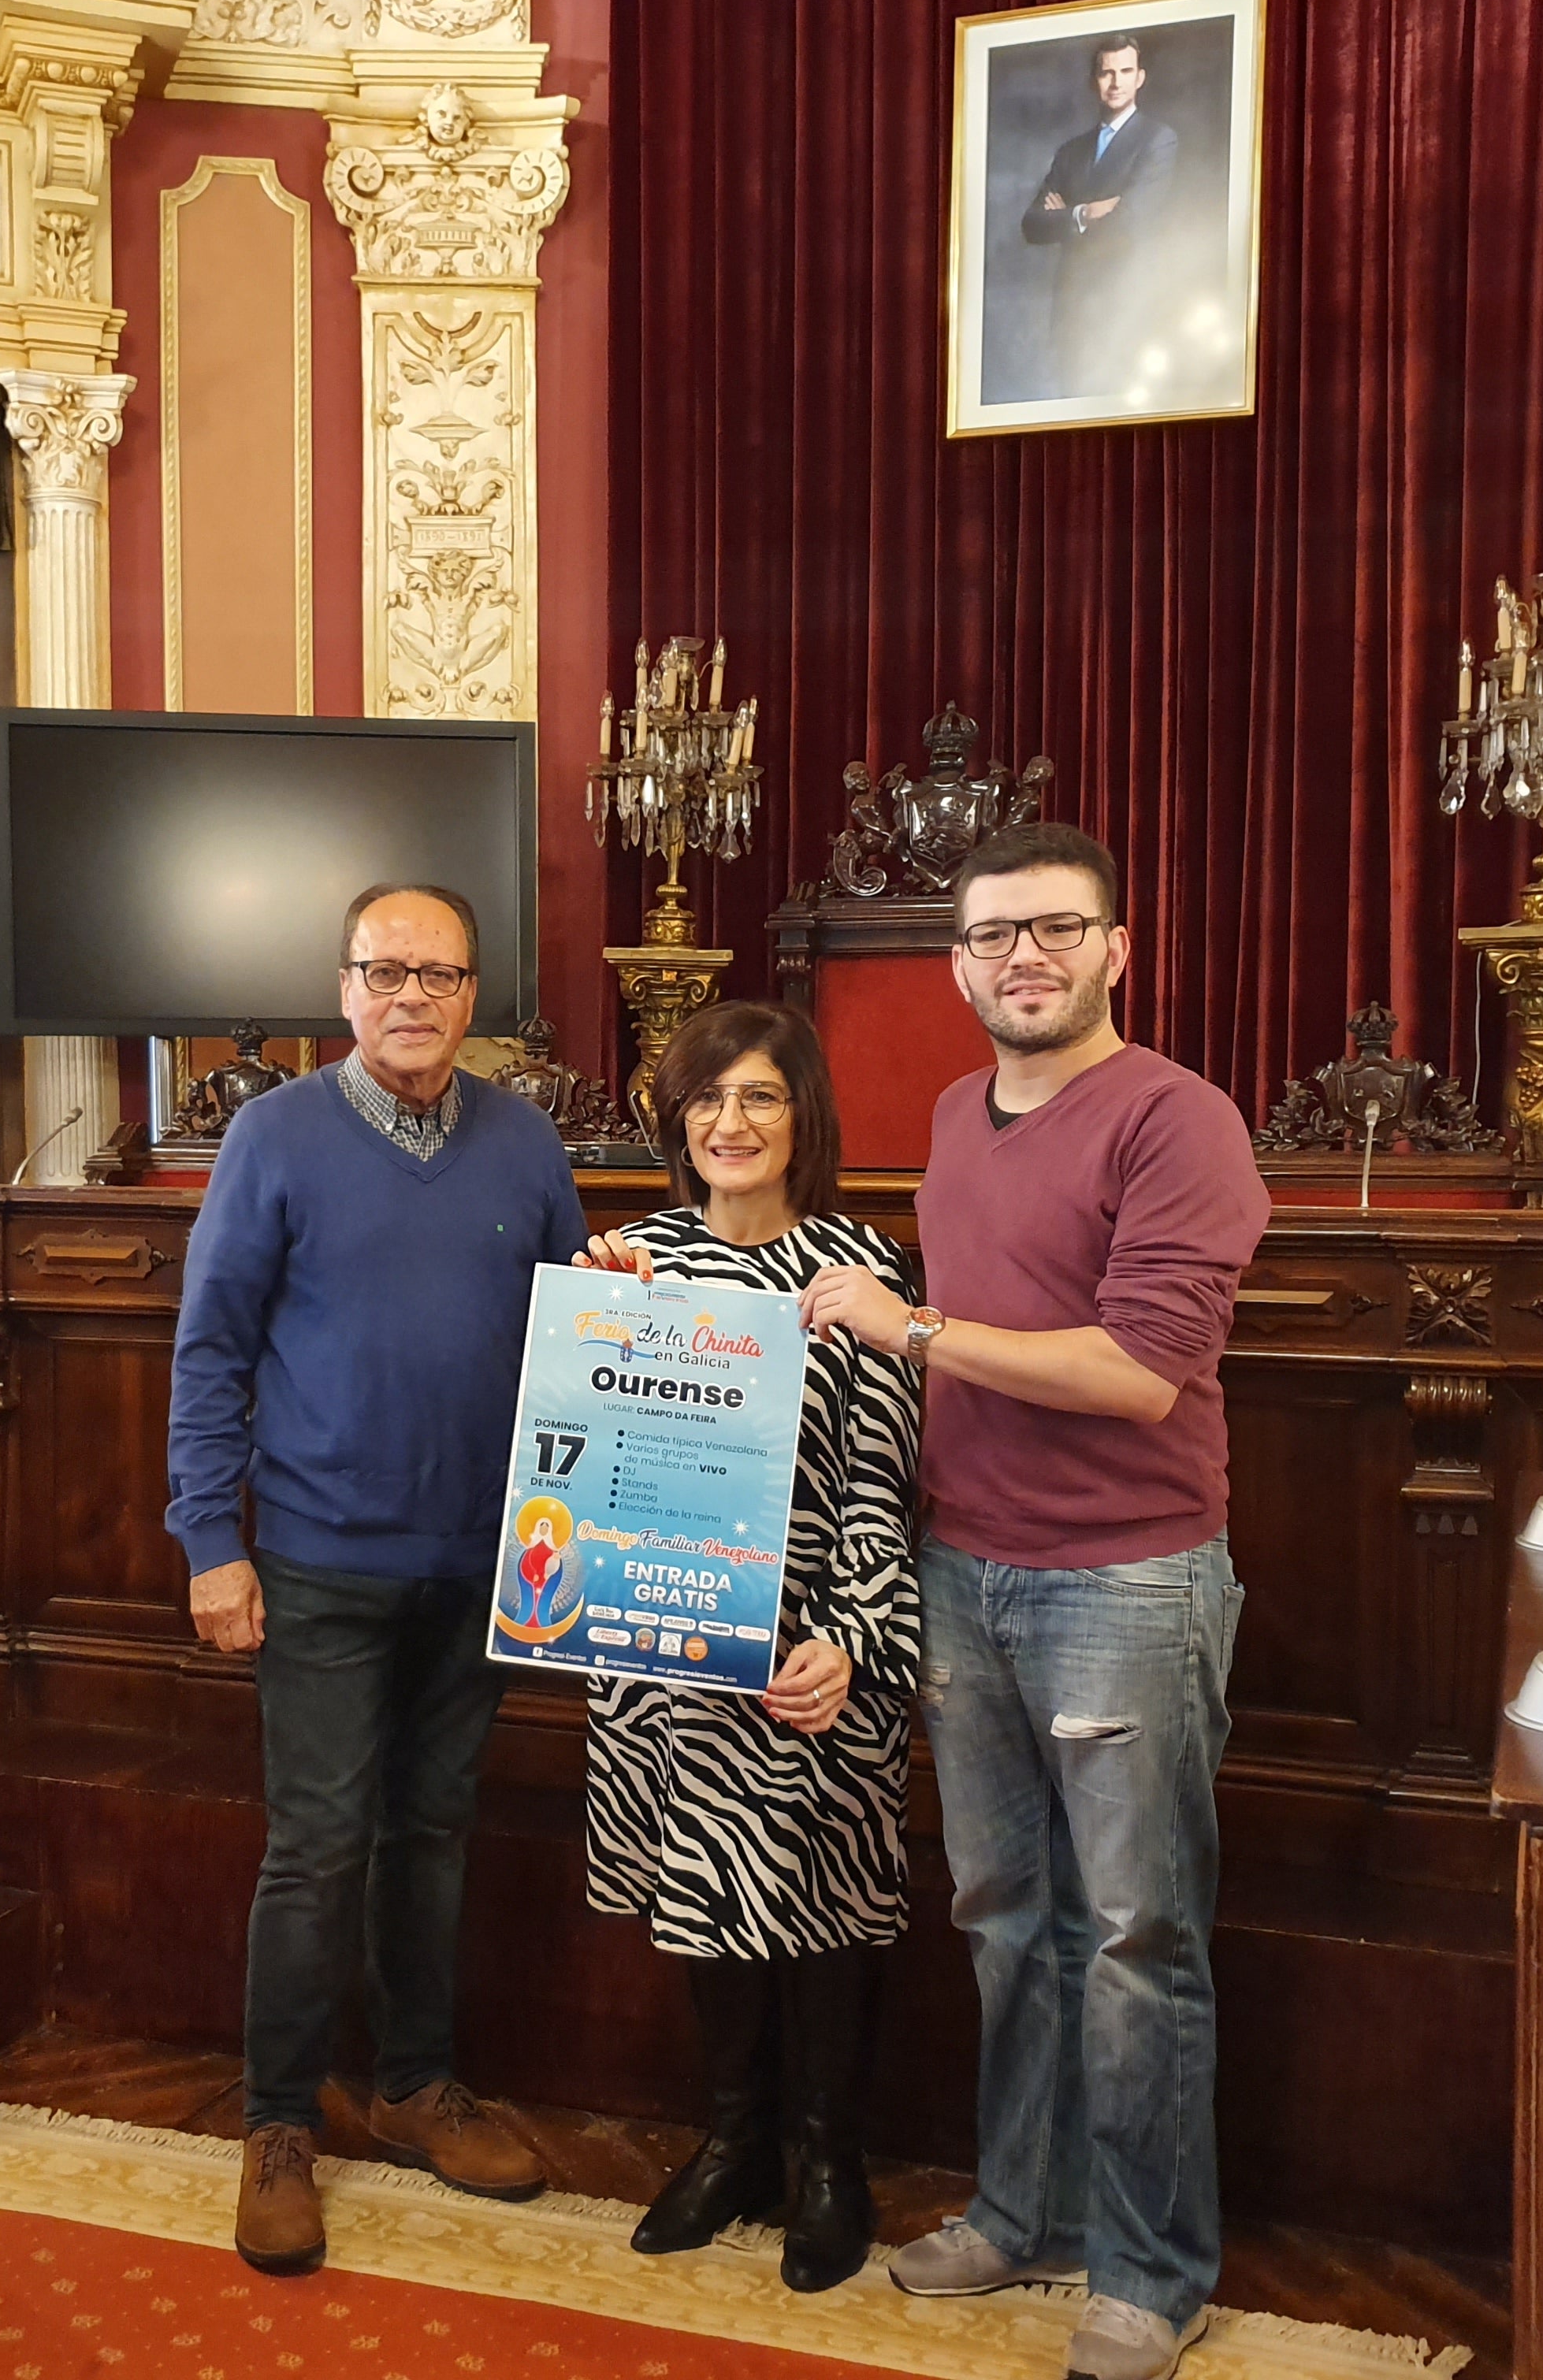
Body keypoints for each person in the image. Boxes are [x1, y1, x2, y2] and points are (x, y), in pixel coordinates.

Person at [797, 823, 1266, 2380]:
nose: (1025, 958)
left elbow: (1139, 1373)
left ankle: (1148, 2271)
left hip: (1126, 1578)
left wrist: (912, 1330)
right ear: (957, 964)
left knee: (1136, 1940)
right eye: (995, 934)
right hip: (964, 1568)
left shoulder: (1177, 1119)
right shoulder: (953, 1110)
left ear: (1117, 947)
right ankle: (1025, 2212)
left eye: (1058, 928)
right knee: (1007, 1920)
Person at [165, 882, 588, 2278]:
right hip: (317, 1560)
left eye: (439, 973)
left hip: (482, 1567)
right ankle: (280, 2122)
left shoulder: (525, 1141)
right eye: (385, 970)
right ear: (344, 987)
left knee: (435, 1833)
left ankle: (413, 2085)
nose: (412, 995)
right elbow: (211, 1349)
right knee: (317, 1847)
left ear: (474, 994)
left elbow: (570, 1339)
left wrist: (626, 1302)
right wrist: (209, 1541)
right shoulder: (273, 1135)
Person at [568, 1001, 924, 2296]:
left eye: (760, 1095)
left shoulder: (860, 1271)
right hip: (663, 1645)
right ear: (676, 1121)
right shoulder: (631, 1264)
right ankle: (735, 2142)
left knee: (820, 1895)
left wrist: (852, 1640)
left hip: (813, 1656)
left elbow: (883, 1485)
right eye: (707, 1099)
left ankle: (828, 2158)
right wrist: (589, 1327)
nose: (730, 1122)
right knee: (700, 1884)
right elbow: (578, 1457)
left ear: (803, 1115)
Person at [1017, 32, 1180, 395]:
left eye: (1126, 71)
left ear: (1140, 78)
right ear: (1095, 81)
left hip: (1126, 308)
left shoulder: (1157, 140)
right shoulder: (1070, 152)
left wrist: (1066, 218)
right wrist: (1084, 213)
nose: (1116, 82)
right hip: (1072, 313)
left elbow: (1130, 222)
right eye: (1107, 73)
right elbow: (1032, 225)